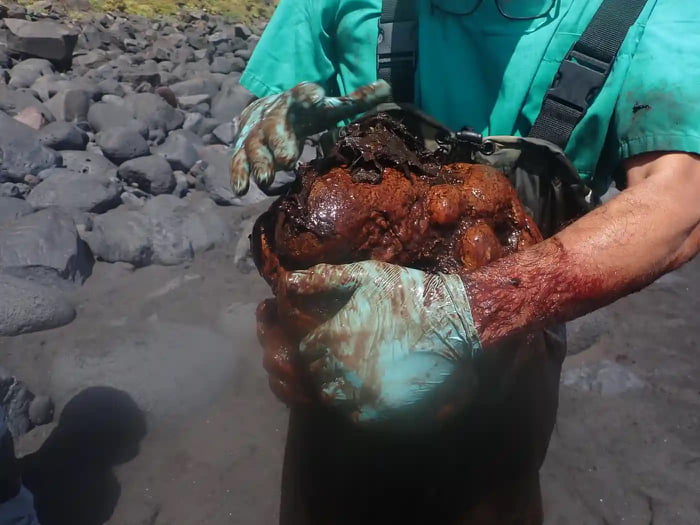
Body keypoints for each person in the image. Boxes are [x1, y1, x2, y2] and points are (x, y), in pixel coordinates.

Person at [230, 0, 700, 523]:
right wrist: (266, 114)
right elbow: (273, 97)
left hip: (505, 402)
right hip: (333, 391)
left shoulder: (652, 13)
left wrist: (476, 307)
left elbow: (681, 197)